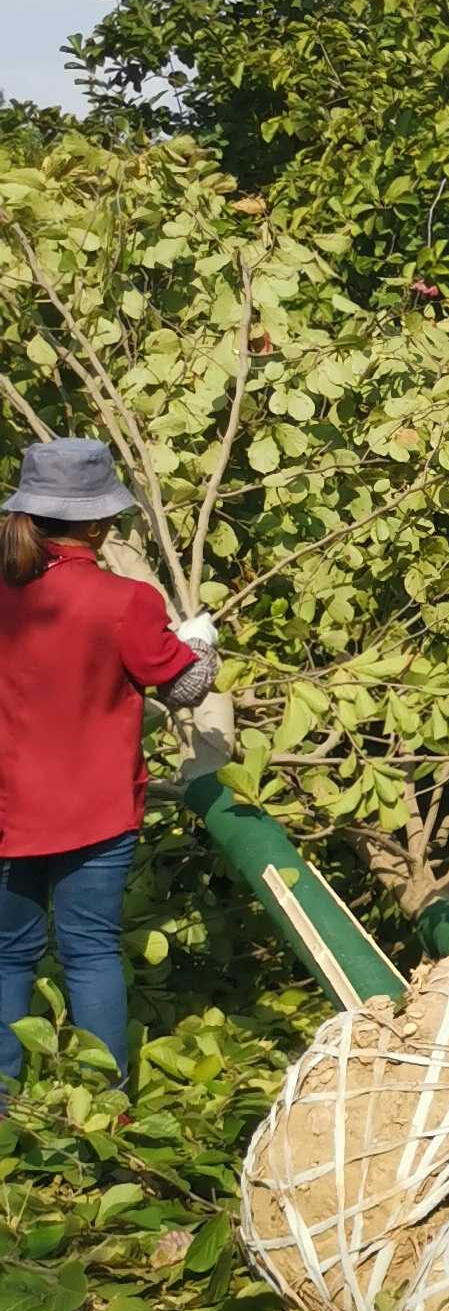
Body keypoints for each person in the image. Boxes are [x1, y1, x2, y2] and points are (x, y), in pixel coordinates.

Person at [0, 438, 218, 1098]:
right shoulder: (125, 601)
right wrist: (201, 643)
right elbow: (182, 686)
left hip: (8, 811)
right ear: (97, 523)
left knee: (7, 957)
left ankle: (4, 1108)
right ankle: (106, 1110)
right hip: (94, 812)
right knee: (90, 953)